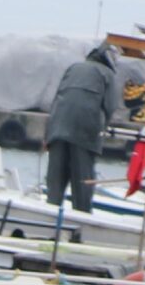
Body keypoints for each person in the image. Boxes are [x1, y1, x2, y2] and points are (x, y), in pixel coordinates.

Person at [44, 43, 118, 214]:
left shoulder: (73, 68)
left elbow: (57, 98)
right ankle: (80, 223)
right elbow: (110, 106)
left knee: (55, 183)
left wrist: (48, 135)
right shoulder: (107, 74)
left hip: (57, 129)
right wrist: (103, 130)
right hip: (85, 132)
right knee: (83, 182)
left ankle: (48, 218)